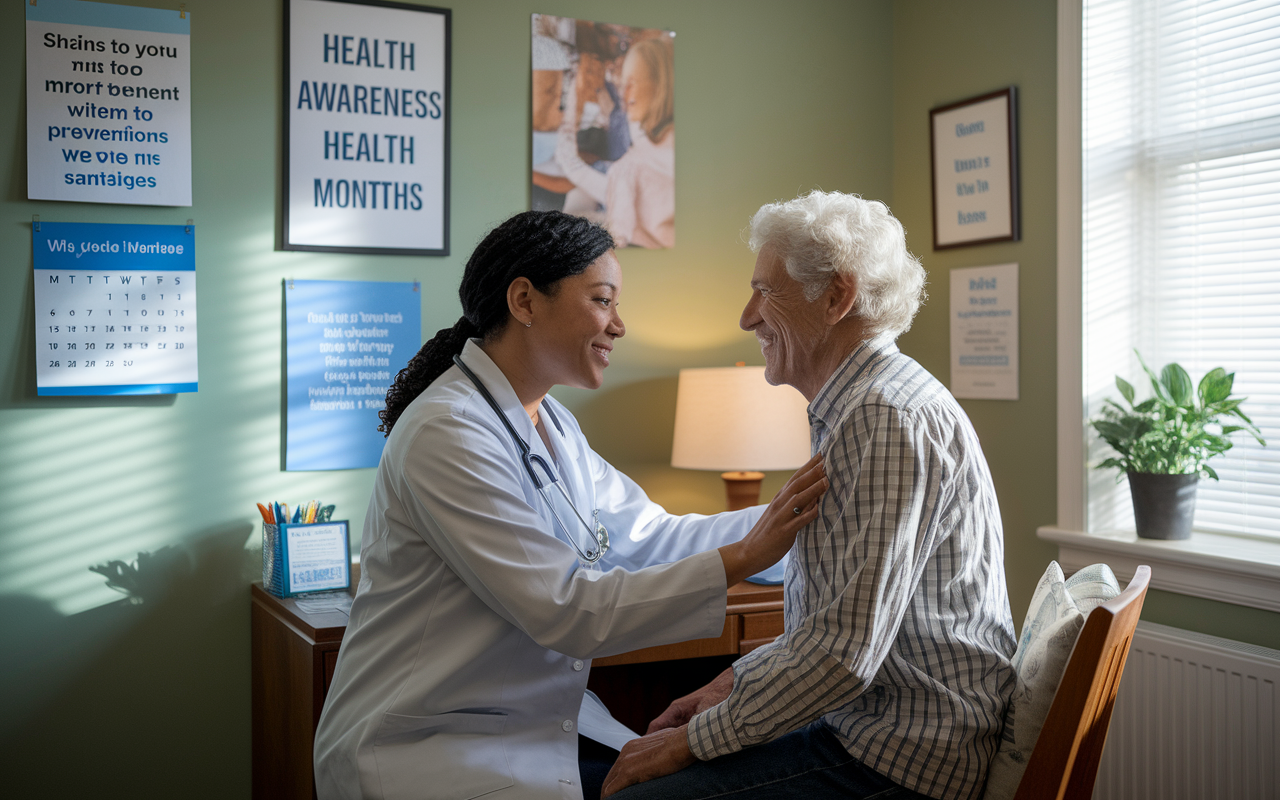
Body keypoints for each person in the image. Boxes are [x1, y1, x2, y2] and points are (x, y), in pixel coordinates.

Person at [312, 210, 827, 800]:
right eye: (603, 300)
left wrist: (798, 522)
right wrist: (740, 558)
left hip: (525, 728)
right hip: (430, 744)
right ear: (525, 301)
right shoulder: (446, 432)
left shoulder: (551, 421)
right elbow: (564, 610)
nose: (620, 325)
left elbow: (648, 535)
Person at [601, 191, 1018, 800]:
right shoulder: (859, 407)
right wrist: (722, 690)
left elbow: (841, 655)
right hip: (868, 726)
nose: (746, 317)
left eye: (765, 291)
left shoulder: (883, 416)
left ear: (836, 297)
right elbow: (829, 635)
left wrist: (689, 741)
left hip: (900, 757)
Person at [556, 35, 675, 249]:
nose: (624, 92)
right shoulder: (652, 142)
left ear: (660, 83)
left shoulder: (643, 160)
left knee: (568, 221)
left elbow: (570, 164)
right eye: (623, 83)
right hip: (608, 181)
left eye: (632, 82)